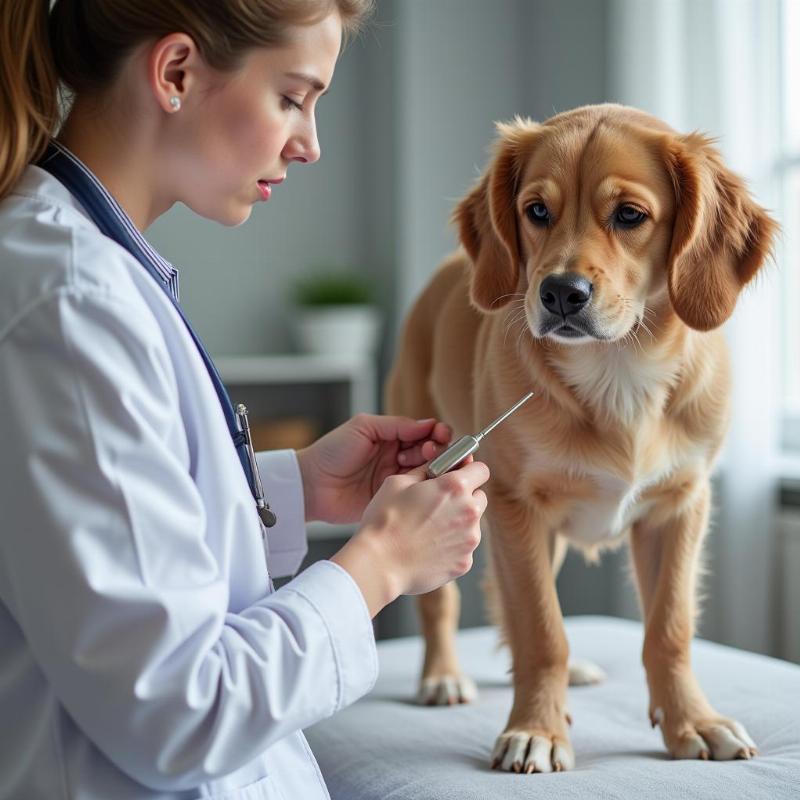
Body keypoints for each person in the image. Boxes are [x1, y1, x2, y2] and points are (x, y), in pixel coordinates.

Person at [0, 2, 490, 798]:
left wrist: (295, 488)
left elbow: (120, 546)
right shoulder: (69, 301)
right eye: (293, 97)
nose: (311, 144)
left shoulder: (91, 271)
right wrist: (380, 566)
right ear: (177, 73)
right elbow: (178, 711)